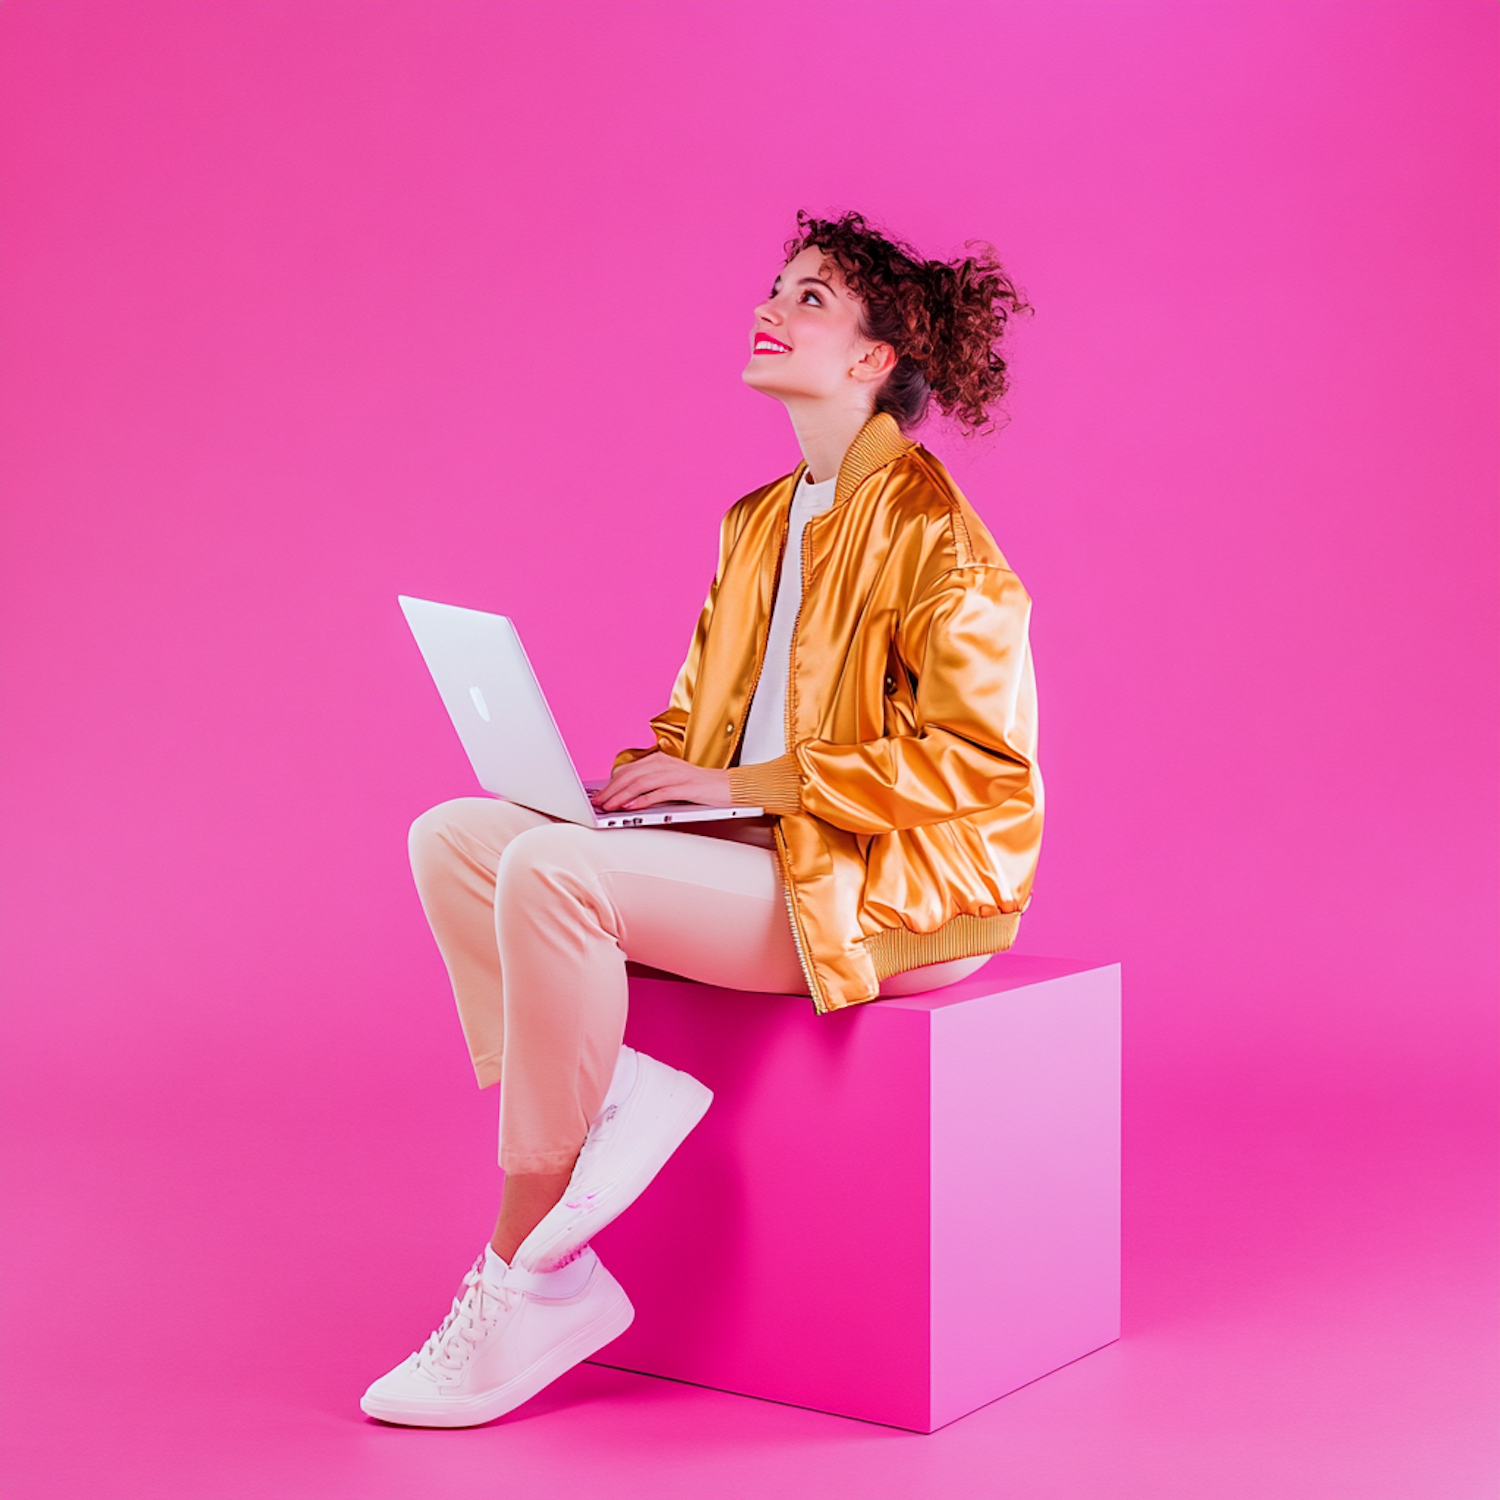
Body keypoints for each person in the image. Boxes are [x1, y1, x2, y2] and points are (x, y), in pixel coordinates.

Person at [360, 212, 1043, 1427]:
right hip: (759, 847)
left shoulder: (940, 540)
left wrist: (741, 791)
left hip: (894, 885)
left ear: (873, 360)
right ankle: (610, 1081)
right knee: (458, 839)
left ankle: (530, 1274)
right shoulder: (757, 524)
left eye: (813, 299)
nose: (771, 307)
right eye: (776, 286)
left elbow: (984, 771)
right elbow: (701, 730)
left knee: (552, 882)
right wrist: (629, 789)